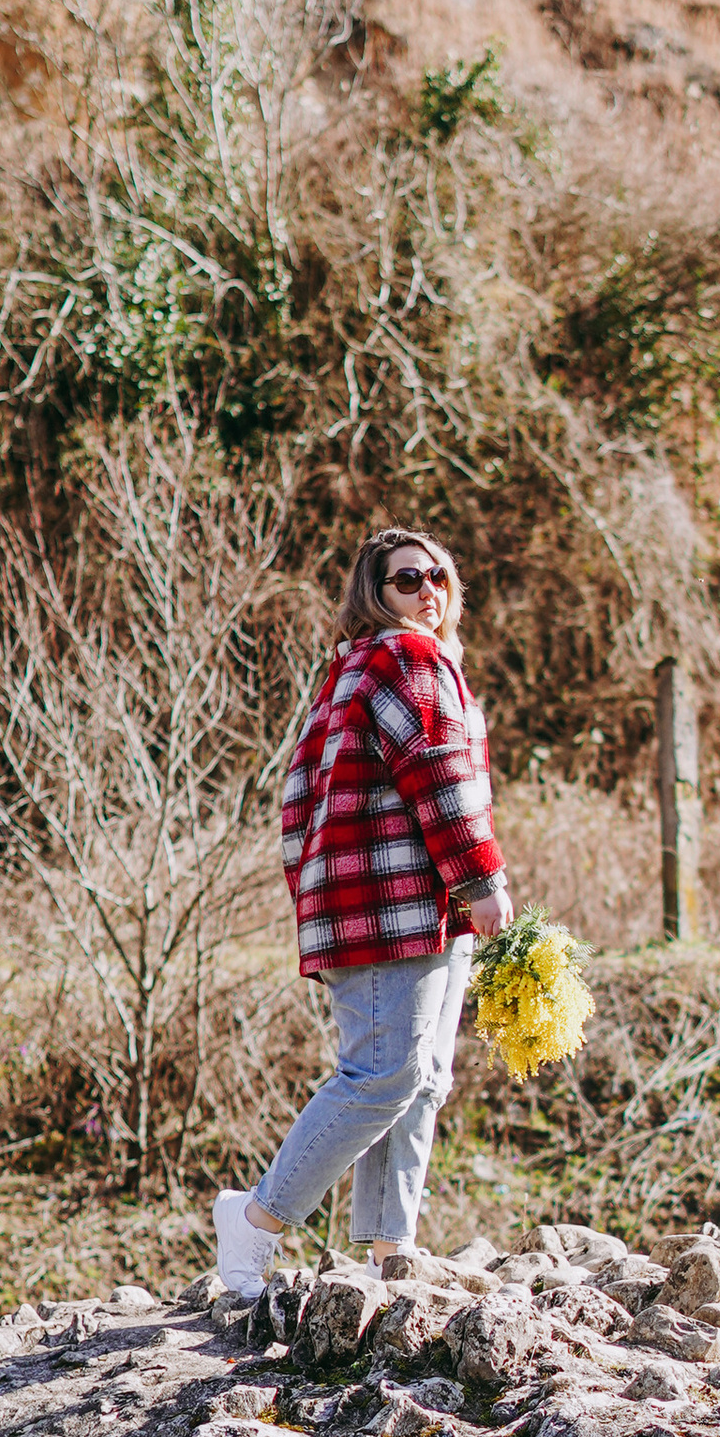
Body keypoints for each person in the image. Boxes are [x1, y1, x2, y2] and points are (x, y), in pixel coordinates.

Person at [213, 526, 512, 1297]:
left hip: (404, 901)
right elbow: (438, 774)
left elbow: (298, 805)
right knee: (384, 1075)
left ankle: (391, 1250)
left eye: (439, 576)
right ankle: (255, 1221)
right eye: (408, 579)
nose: (428, 592)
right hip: (389, 901)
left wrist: (318, 899)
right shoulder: (401, 656)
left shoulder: (356, 668)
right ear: (374, 593)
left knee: (422, 1078)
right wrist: (483, 881)